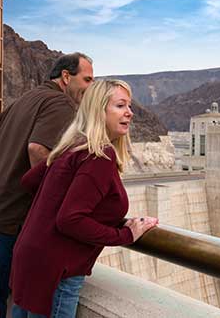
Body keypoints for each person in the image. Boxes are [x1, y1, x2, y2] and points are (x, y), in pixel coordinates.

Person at [0, 52, 94, 318]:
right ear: (66, 77)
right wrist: (49, 198)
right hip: (4, 220)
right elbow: (37, 149)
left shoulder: (23, 99)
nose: (90, 87)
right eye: (87, 80)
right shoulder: (61, 104)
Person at [10, 80, 158, 318]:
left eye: (129, 106)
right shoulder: (100, 155)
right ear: (99, 110)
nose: (130, 113)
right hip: (57, 271)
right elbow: (69, 219)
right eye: (121, 106)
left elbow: (29, 181)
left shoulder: (71, 148)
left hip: (30, 258)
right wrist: (125, 235)